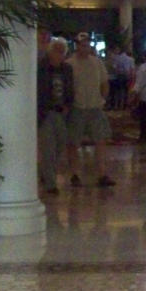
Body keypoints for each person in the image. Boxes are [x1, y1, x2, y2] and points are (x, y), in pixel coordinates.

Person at [66, 32, 116, 187]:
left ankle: (102, 173)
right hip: (77, 108)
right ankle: (74, 173)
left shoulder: (97, 63)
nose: (85, 47)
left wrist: (103, 100)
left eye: (87, 44)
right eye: (82, 45)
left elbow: (104, 82)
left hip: (95, 107)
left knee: (101, 140)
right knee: (73, 142)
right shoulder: (69, 64)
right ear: (76, 46)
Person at [37, 37, 74, 194]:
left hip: (61, 112)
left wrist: (68, 105)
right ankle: (50, 182)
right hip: (45, 112)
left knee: (60, 144)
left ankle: (45, 172)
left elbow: (70, 88)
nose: (59, 54)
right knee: (48, 148)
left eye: (62, 51)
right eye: (56, 51)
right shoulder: (41, 68)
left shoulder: (67, 69)